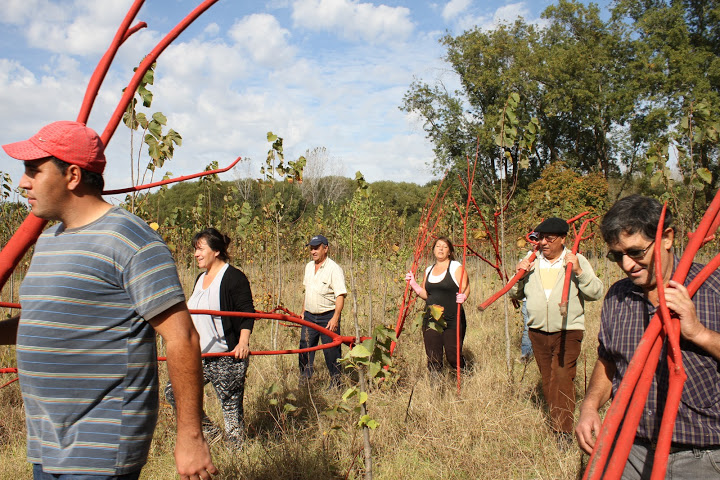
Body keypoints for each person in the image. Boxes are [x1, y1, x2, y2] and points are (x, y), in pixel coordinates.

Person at [0, 121, 216, 479]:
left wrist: (190, 437)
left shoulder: (129, 239)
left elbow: (182, 337)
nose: (23, 182)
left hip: (99, 449)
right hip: (46, 443)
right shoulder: (51, 240)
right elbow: (47, 320)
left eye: (33, 171)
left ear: (72, 175)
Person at [576, 195, 720, 478]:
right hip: (629, 450)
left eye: (637, 252)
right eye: (617, 256)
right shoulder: (617, 296)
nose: (628, 265)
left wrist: (699, 333)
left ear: (666, 238)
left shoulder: (713, 289)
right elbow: (608, 361)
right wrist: (590, 406)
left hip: (701, 458)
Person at [509, 217, 603, 445]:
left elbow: (595, 292)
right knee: (549, 379)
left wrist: (579, 271)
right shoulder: (530, 260)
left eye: (549, 239)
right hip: (538, 330)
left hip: (568, 330)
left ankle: (563, 432)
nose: (543, 243)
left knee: (562, 376)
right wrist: (518, 276)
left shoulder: (575, 260)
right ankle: (558, 420)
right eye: (540, 238)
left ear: (563, 239)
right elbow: (514, 294)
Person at [165, 228, 255, 449]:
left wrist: (243, 342)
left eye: (200, 249)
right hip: (200, 355)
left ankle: (238, 457)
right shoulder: (200, 278)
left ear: (216, 251)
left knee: (231, 414)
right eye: (195, 250)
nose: (195, 254)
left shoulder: (234, 277)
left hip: (227, 356)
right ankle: (212, 434)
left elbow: (247, 313)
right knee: (173, 392)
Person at [406, 236, 470, 373]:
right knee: (433, 357)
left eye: (445, 246)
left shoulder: (455, 267)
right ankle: (435, 389)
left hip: (453, 318)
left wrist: (463, 296)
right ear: (433, 250)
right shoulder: (429, 269)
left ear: (449, 252)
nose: (441, 248)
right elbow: (426, 294)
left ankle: (465, 375)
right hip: (431, 319)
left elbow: (465, 286)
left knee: (453, 356)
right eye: (438, 246)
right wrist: (413, 284)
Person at [299, 234, 347, 385]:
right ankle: (304, 380)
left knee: (331, 351)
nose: (313, 251)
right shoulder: (308, 267)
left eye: (316, 248)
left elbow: (340, 295)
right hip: (309, 316)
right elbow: (308, 292)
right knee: (304, 348)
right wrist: (303, 311)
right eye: (311, 248)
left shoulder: (334, 269)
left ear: (325, 249)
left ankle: (336, 382)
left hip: (328, 317)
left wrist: (335, 317)